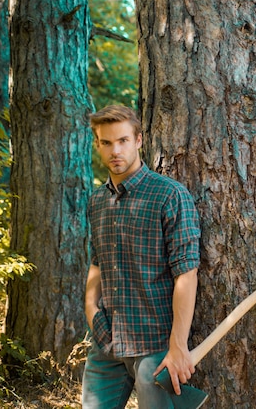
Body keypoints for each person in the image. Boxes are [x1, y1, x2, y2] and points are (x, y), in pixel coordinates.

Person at [82, 105, 201, 408]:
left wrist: (177, 346)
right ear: (98, 144)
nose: (114, 151)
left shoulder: (169, 195)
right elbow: (97, 262)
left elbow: (186, 274)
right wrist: (91, 308)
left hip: (154, 347)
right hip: (106, 343)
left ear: (138, 140)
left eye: (122, 141)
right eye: (106, 143)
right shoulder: (97, 201)